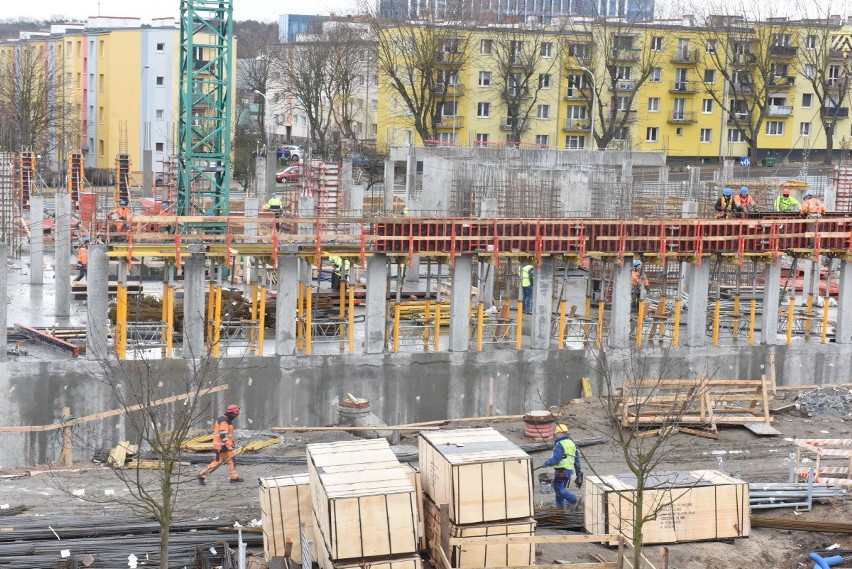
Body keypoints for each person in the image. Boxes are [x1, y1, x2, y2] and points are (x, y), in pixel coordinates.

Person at [198, 404, 244, 484]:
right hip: (221, 447)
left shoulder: (226, 419)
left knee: (231, 460)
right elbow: (223, 435)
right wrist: (229, 445)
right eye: (235, 415)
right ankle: (201, 475)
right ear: (231, 413)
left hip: (224, 446)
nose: (236, 416)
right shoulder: (224, 421)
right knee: (217, 462)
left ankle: (234, 477)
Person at [541, 424, 582, 510]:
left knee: (558, 488)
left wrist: (547, 463)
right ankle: (560, 507)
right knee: (561, 488)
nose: (555, 435)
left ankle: (573, 499)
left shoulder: (560, 444)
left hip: (561, 470)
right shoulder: (571, 443)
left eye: (556, 433)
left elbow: (556, 459)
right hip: (569, 470)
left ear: (560, 433)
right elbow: (576, 459)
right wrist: (578, 471)